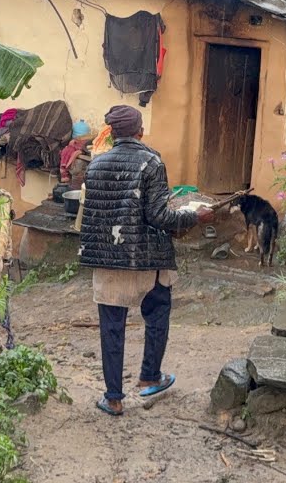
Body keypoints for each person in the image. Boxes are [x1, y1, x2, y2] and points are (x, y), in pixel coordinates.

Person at [78, 105, 214, 416]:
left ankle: (113, 398)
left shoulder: (96, 166)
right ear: (140, 132)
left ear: (112, 133)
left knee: (111, 327)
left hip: (107, 259)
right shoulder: (152, 162)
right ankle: (150, 376)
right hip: (147, 259)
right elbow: (158, 215)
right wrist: (194, 215)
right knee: (158, 312)